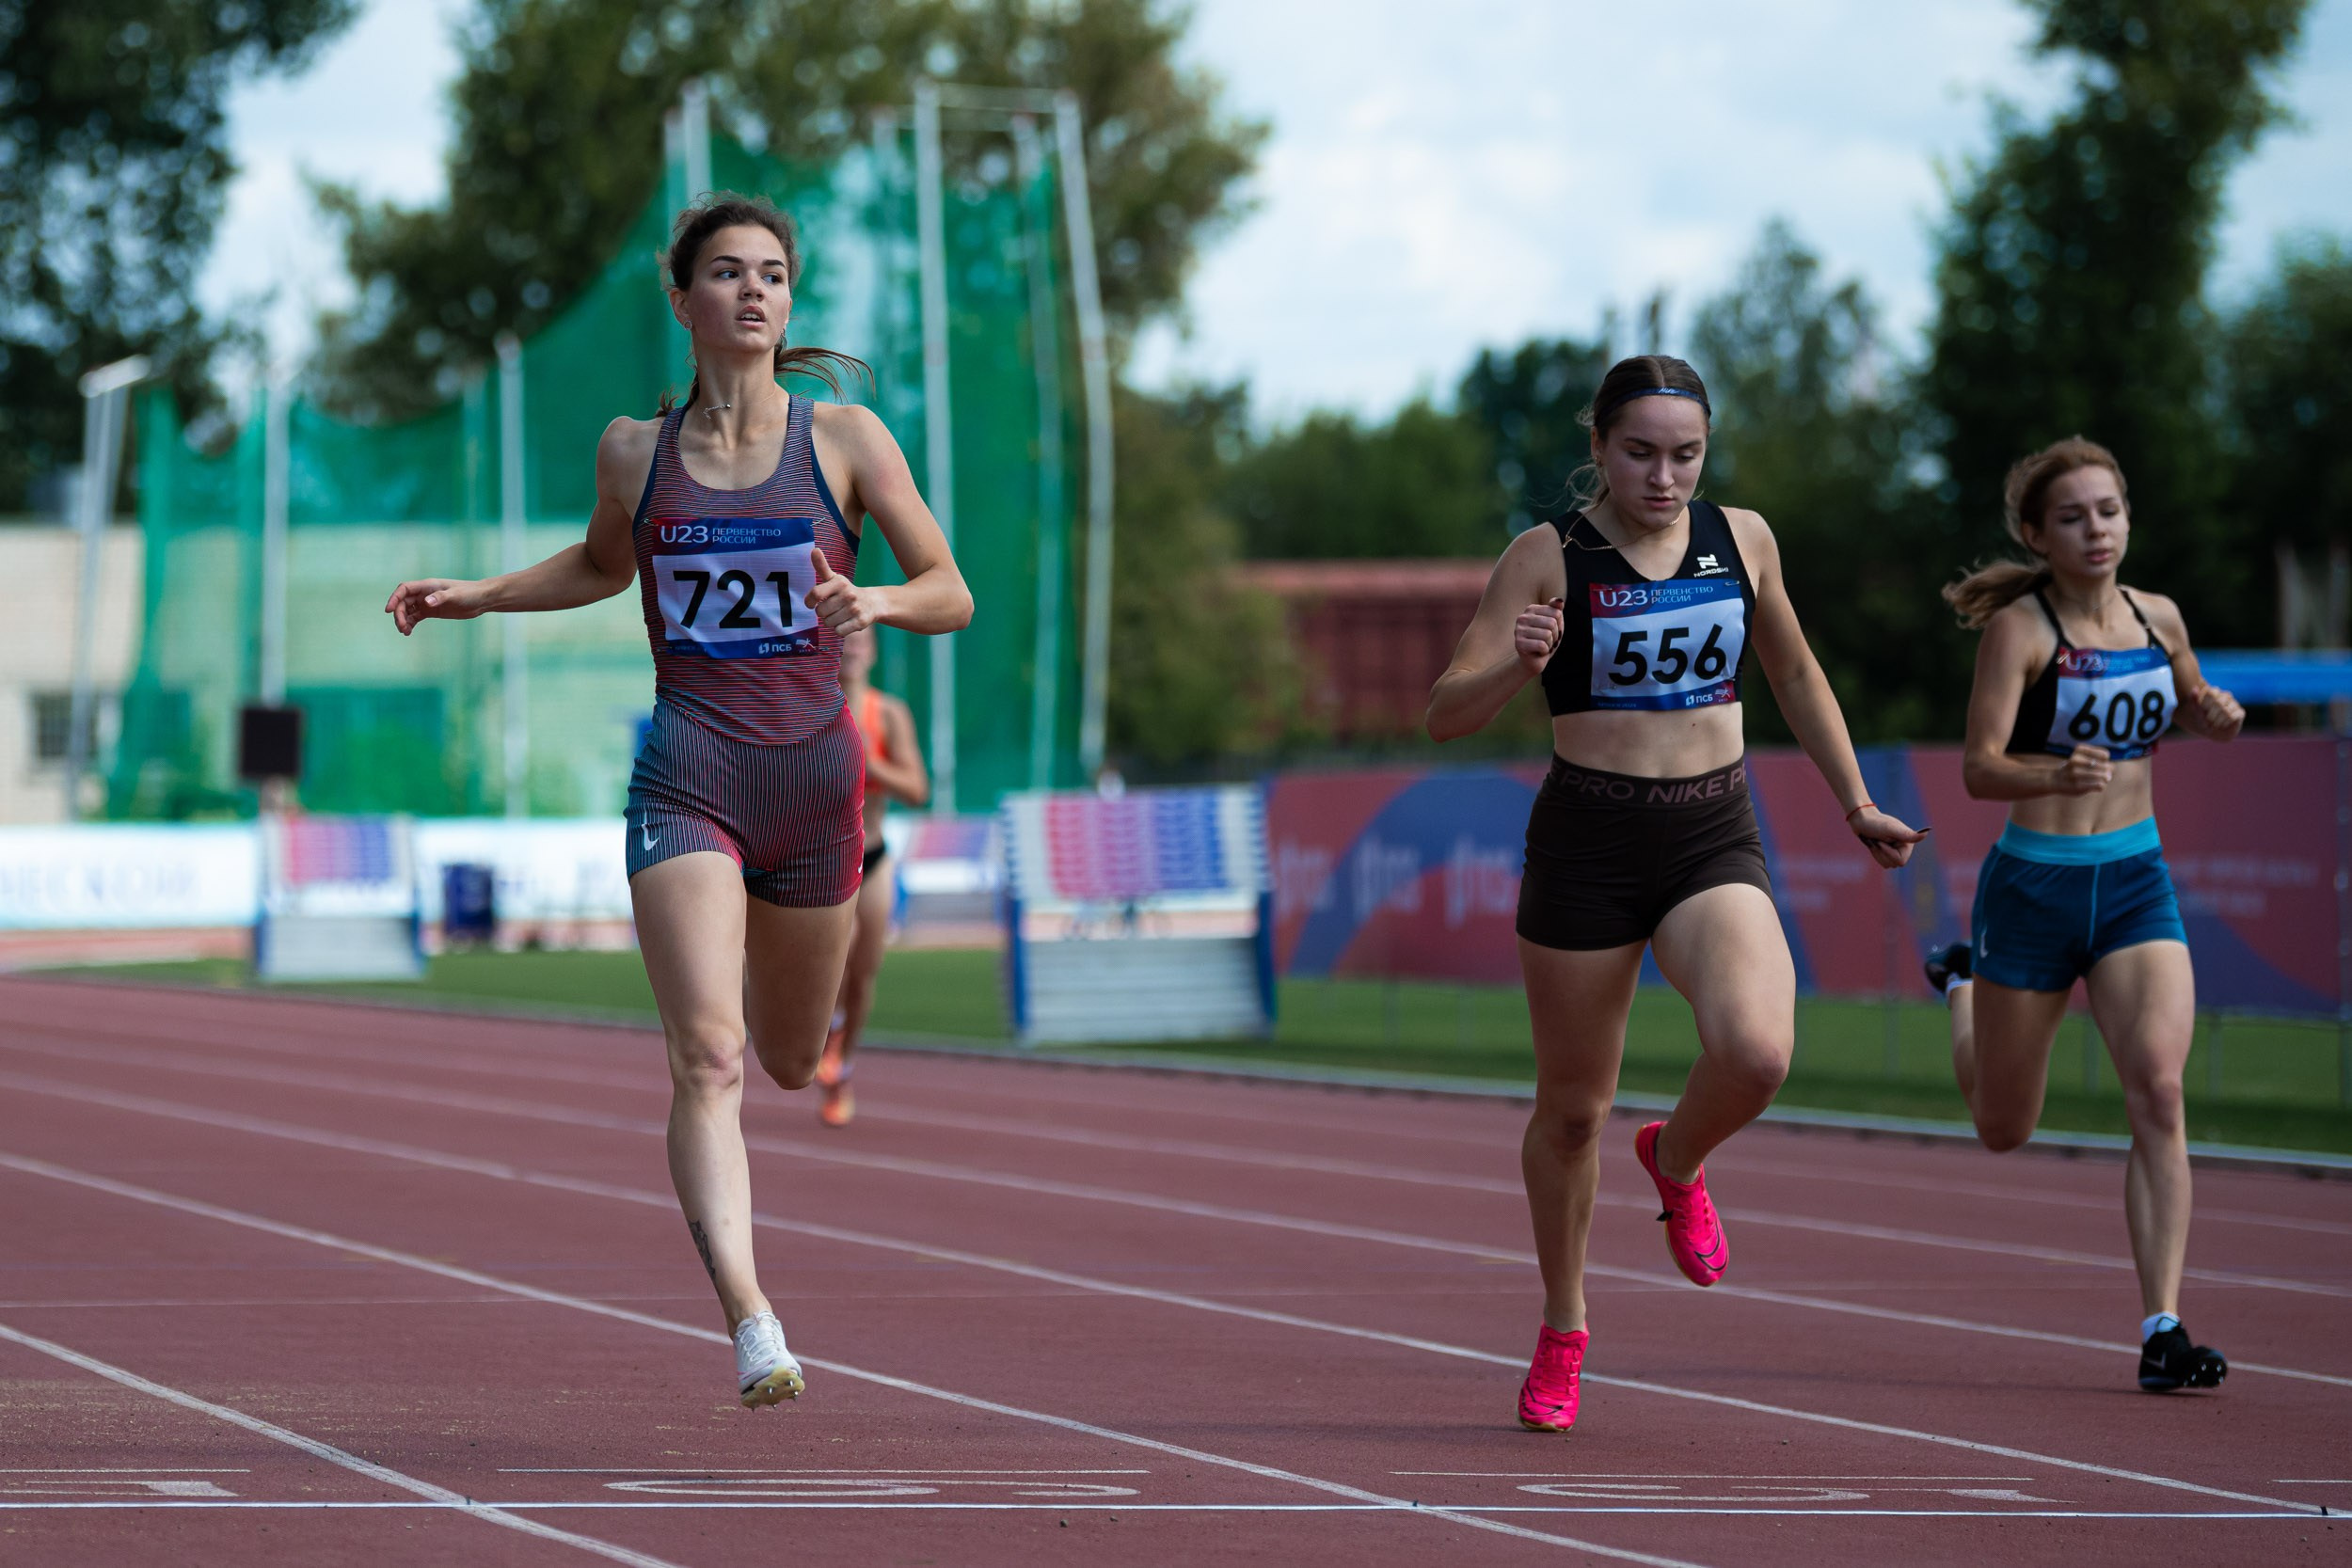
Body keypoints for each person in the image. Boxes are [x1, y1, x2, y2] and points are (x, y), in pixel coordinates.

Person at [387, 193, 971, 1408]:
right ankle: (753, 1318)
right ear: (684, 297)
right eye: (726, 272)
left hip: (814, 785)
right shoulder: (632, 450)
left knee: (790, 1061)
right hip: (689, 772)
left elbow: (949, 585)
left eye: (772, 274)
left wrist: (884, 605)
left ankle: (803, 1031)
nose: (752, 291)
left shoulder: (850, 441)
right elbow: (605, 562)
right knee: (708, 1053)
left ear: (789, 302)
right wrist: (480, 593)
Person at [1425, 354, 1924, 1434]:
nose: (1664, 476)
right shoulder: (1545, 557)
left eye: (1685, 454)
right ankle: (1565, 1323)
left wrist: (1855, 802)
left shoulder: (1741, 538)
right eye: (1640, 452)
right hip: (1587, 845)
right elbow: (1444, 713)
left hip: (1709, 829)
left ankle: (1679, 1154)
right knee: (1570, 1112)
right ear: (1597, 446)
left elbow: (1792, 671)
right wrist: (1516, 665)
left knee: (1756, 1049)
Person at [1926, 436, 2242, 1394]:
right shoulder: (2020, 631)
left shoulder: (2158, 616)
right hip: (2033, 885)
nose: (2094, 529)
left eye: (2107, 510)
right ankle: (1963, 984)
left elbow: (2187, 702)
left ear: (2127, 517)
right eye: (2071, 515)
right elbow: (1979, 766)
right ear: (2035, 532)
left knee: (2158, 1087)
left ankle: (2161, 1325)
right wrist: (2052, 771)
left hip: (2134, 878)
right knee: (2002, 1125)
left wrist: (2212, 712)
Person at [813, 626, 929, 1128]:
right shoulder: (809, 706)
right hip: (820, 858)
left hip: (874, 854)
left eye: (861, 642)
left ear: (874, 652)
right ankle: (823, 1030)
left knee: (864, 972)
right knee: (833, 963)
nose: (852, 650)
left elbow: (917, 789)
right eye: (842, 642)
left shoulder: (890, 714)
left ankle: (843, 1066)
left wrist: (869, 759)